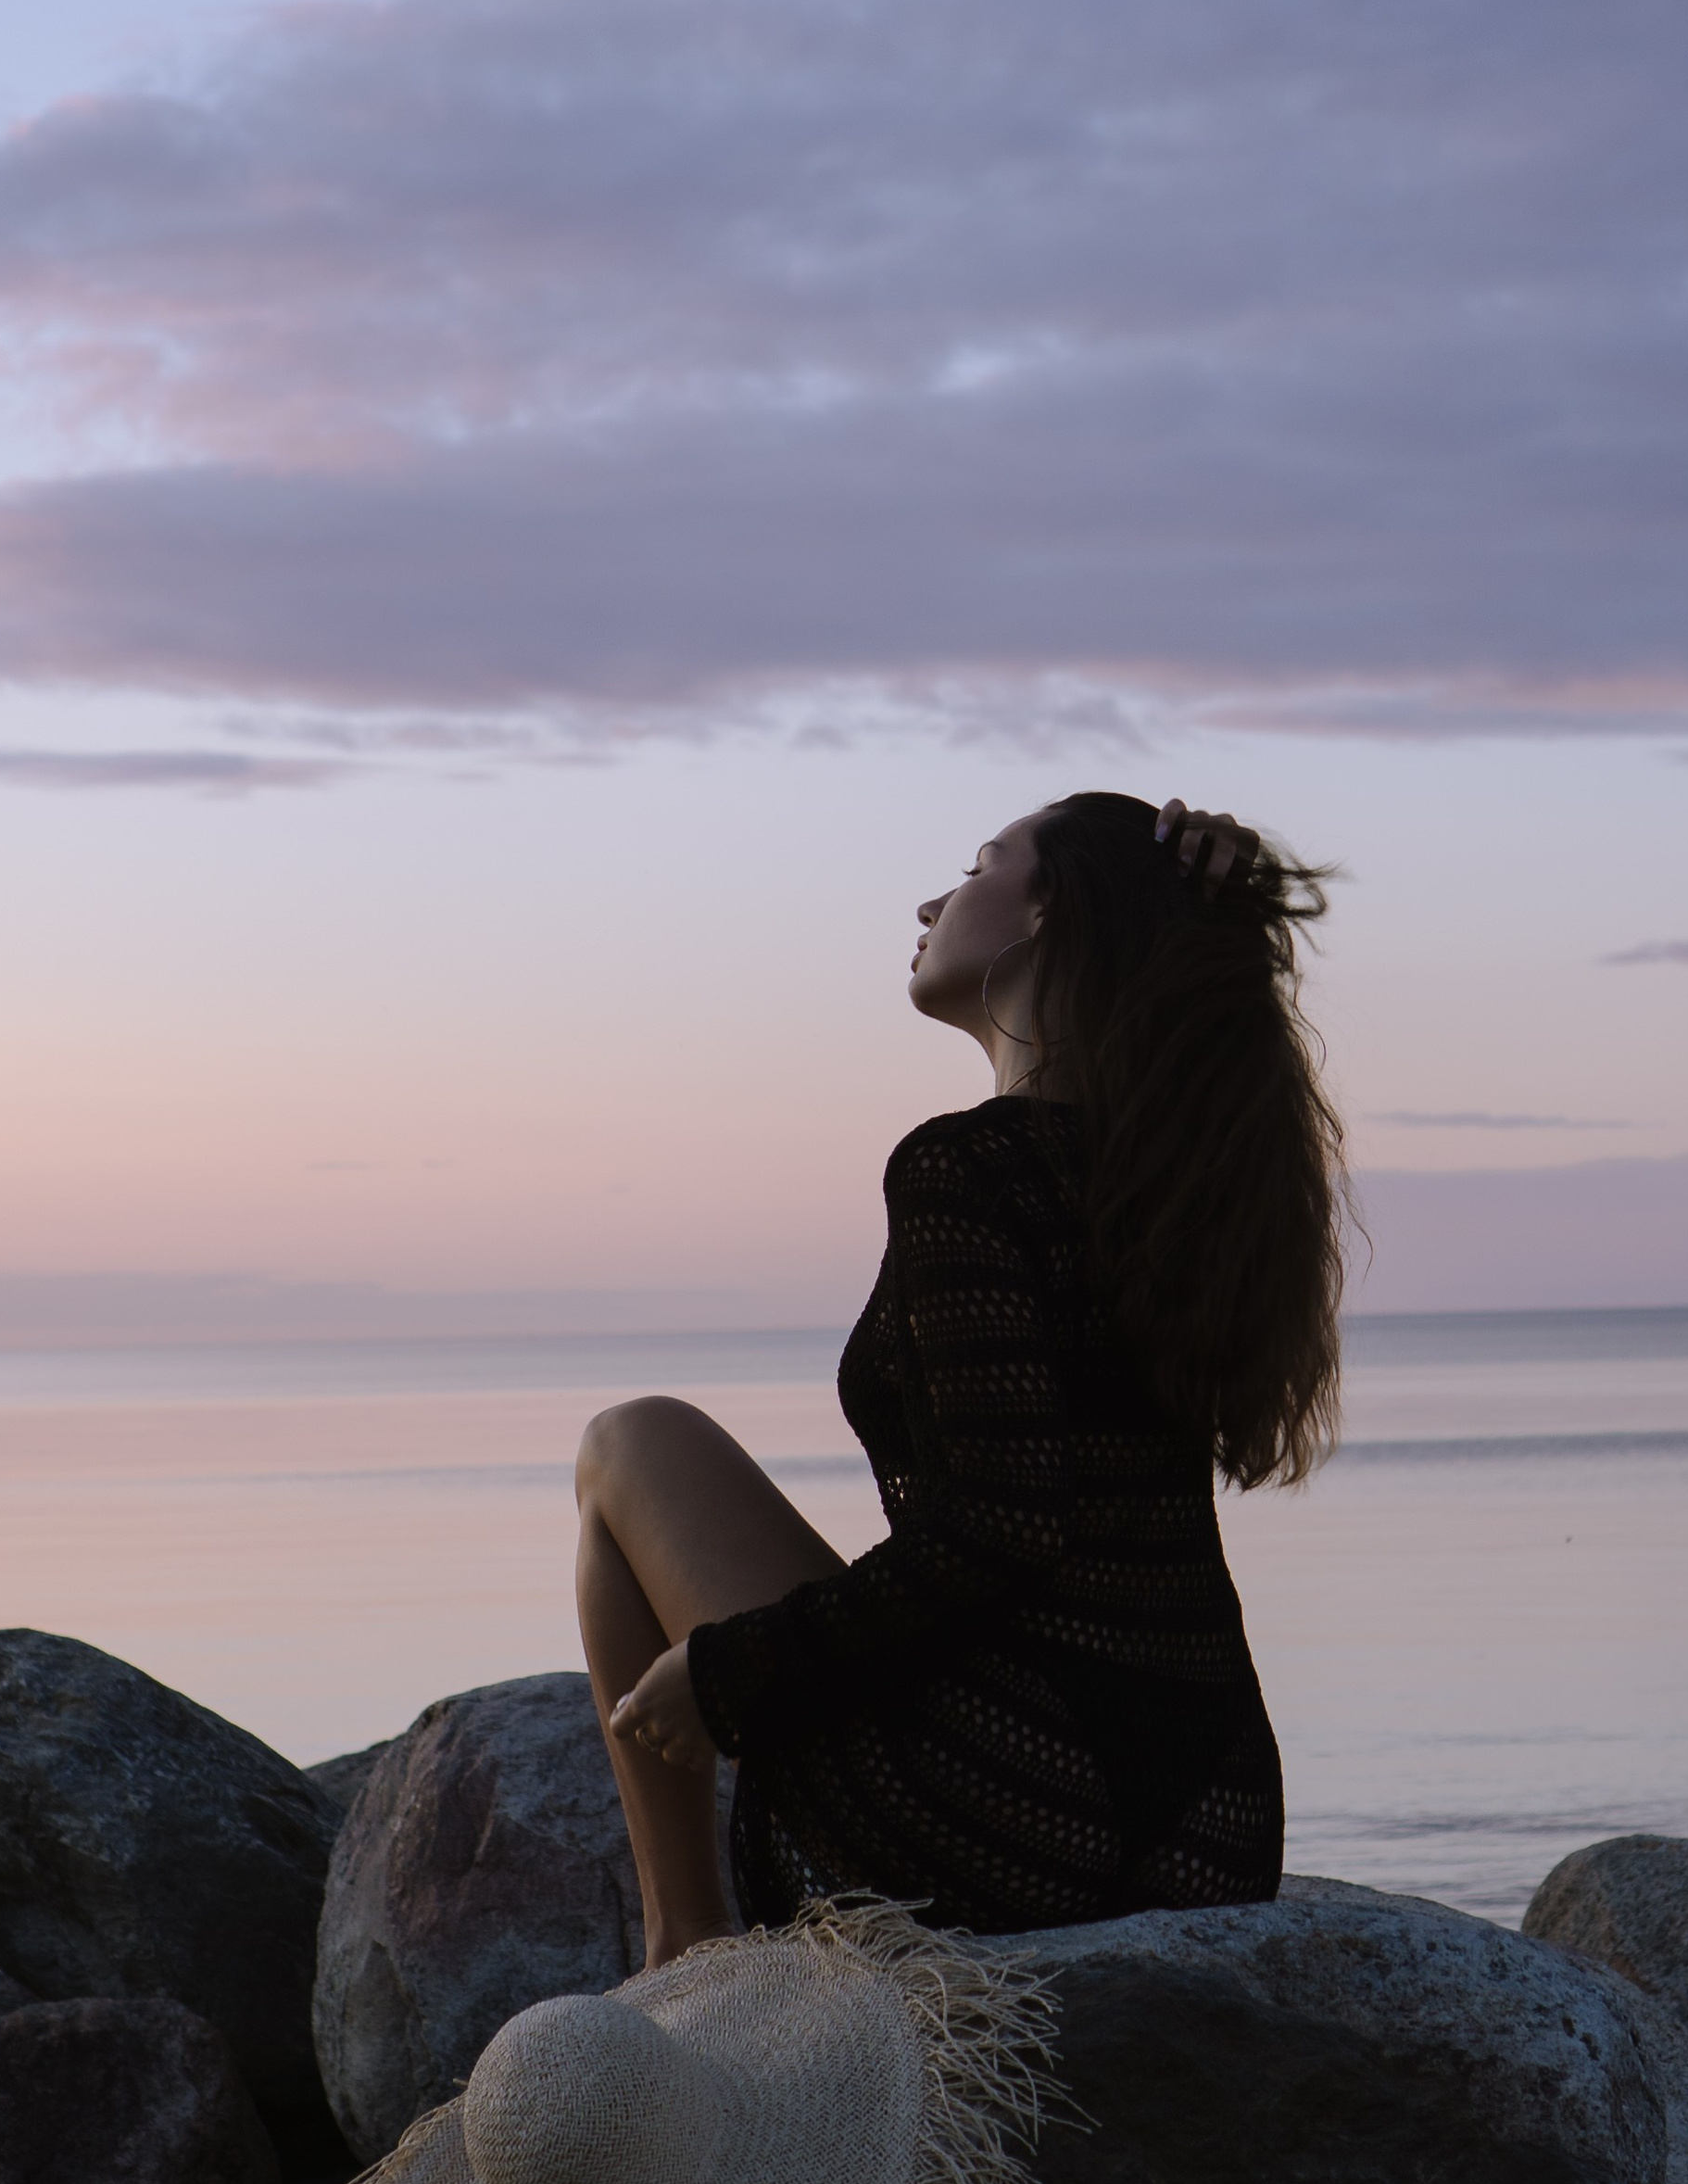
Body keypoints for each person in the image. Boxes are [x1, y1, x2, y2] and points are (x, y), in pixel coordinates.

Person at [574, 790, 1346, 1963]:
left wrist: (730, 1674)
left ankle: (685, 1948)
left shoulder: (968, 1166)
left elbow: (1000, 1529)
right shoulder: (1178, 1183)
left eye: (980, 866)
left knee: (632, 1442)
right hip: (1212, 1822)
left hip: (1015, 1807)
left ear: (1047, 916)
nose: (932, 903)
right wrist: (1209, 901)